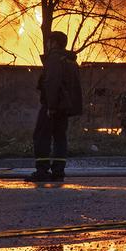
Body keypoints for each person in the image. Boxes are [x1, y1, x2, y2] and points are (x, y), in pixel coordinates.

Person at [27, 31, 83, 183]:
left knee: (41, 136)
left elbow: (52, 82)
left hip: (52, 106)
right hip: (65, 107)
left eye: (49, 41)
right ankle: (58, 171)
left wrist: (51, 106)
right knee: (60, 137)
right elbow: (74, 86)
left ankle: (42, 170)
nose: (47, 44)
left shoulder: (54, 59)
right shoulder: (71, 61)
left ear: (54, 43)